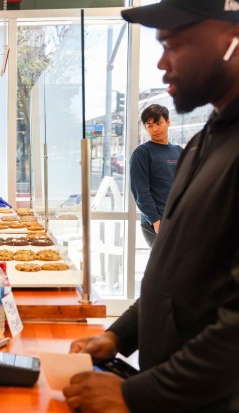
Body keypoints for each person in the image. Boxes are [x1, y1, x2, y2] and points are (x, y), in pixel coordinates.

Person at [63, 1, 239, 412]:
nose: (161, 63)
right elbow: (177, 275)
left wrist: (136, 394)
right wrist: (120, 336)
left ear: (232, 38)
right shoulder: (205, 141)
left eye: (173, 45)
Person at [129, 104, 183, 247]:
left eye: (159, 123)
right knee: (167, 267)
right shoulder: (142, 153)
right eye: (150, 125)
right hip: (155, 222)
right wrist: (156, 221)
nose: (155, 129)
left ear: (168, 122)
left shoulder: (179, 151)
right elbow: (140, 190)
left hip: (179, 219)